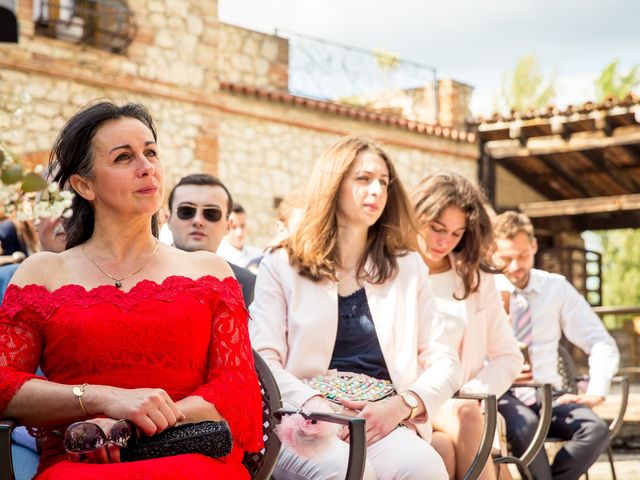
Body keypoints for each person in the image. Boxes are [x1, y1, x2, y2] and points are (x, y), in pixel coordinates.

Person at [0, 101, 263, 479]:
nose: (147, 167)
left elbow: (238, 388)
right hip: (82, 463)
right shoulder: (42, 272)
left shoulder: (207, 270)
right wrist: (100, 399)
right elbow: (4, 383)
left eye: (151, 152)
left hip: (189, 459)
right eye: (124, 157)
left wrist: (132, 426)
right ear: (84, 184)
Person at [250, 136, 462, 480]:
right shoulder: (282, 264)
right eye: (363, 179)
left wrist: (404, 404)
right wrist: (317, 407)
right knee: (349, 471)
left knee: (425, 468)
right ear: (333, 184)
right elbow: (263, 359)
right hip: (303, 419)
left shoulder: (408, 267)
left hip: (381, 419)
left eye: (383, 182)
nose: (376, 190)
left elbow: (445, 360)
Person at [411, 172, 523, 480]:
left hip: (461, 403)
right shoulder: (391, 270)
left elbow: (508, 356)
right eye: (436, 228)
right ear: (415, 216)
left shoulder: (475, 277)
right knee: (447, 446)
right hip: (405, 402)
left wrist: (471, 392)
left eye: (457, 233)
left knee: (459, 426)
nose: (444, 241)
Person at [493, 211, 620, 480]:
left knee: (595, 430)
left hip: (548, 393)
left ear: (534, 246)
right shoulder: (482, 291)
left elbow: (599, 340)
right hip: (502, 395)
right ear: (492, 251)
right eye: (506, 258)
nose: (515, 266)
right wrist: (500, 371)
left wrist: (596, 390)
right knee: (526, 427)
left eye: (523, 256)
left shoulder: (555, 288)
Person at [167, 173, 256, 306]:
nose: (198, 221)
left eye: (211, 213)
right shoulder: (142, 271)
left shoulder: (247, 283)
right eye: (186, 211)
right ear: (168, 218)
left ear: (228, 225)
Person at [217, 203, 263, 269]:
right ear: (225, 227)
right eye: (234, 227)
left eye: (242, 226)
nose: (239, 233)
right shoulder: (217, 256)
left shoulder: (258, 254)